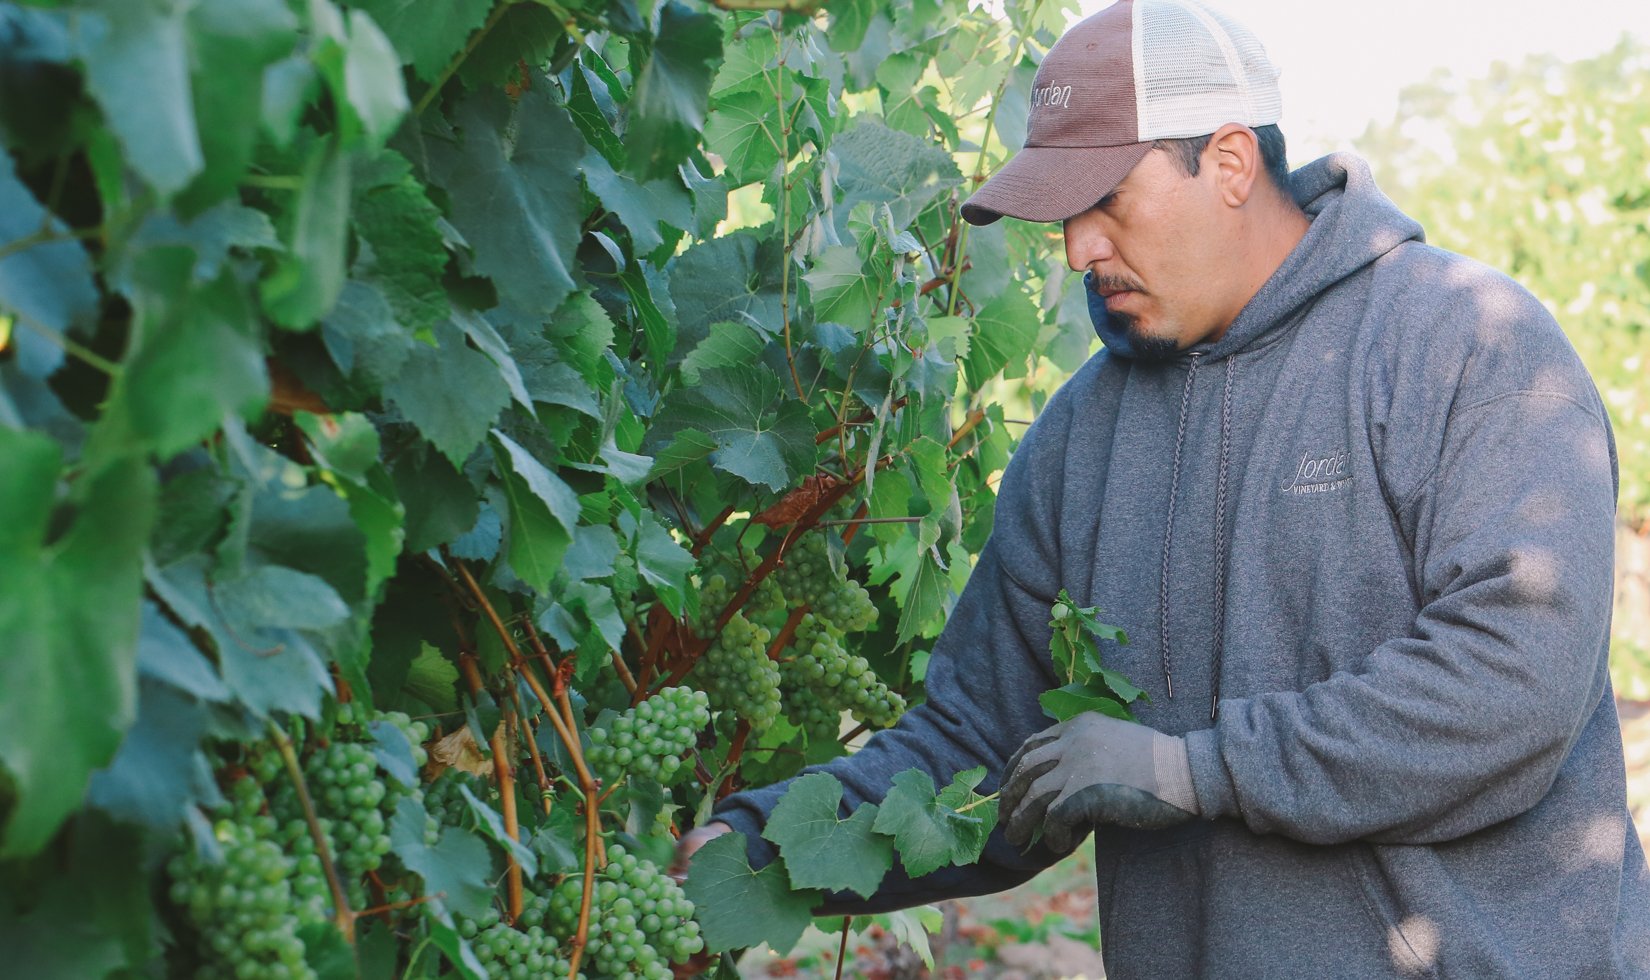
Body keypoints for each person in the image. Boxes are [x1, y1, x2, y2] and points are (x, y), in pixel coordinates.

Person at [675, 0, 1650, 974]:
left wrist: (1198, 768)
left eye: (1106, 201)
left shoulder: (1463, 342)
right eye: (1064, 214)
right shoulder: (1079, 437)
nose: (1076, 249)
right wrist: (759, 844)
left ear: (1228, 162)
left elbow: (1511, 678)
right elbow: (983, 741)